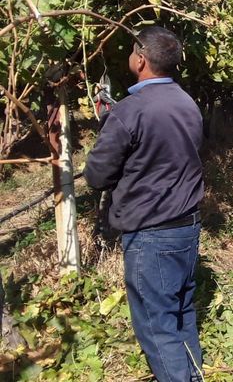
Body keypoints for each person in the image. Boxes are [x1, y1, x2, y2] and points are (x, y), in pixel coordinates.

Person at [84, 26, 204, 382]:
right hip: (186, 225)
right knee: (181, 312)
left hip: (151, 233)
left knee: (157, 327)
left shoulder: (130, 110)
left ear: (140, 59)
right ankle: (192, 375)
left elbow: (96, 175)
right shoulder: (187, 102)